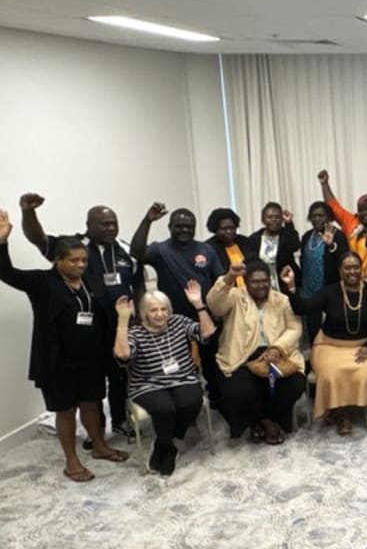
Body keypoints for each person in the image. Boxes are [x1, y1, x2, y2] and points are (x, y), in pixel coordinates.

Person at [0, 210, 129, 482]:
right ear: (57, 261)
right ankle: (71, 462)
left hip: (91, 358)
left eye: (83, 260)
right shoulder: (42, 283)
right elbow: (6, 273)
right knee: (66, 410)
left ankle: (100, 446)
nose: (80, 265)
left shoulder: (90, 283)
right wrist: (2, 243)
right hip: (57, 361)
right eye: (73, 260)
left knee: (92, 404)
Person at [19, 192, 142, 439]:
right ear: (88, 225)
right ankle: (96, 434)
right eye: (104, 224)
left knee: (120, 378)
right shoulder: (73, 246)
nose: (110, 228)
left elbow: (137, 285)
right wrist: (28, 212)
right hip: (87, 330)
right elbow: (38, 239)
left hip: (119, 326)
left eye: (114, 223)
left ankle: (120, 420)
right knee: (93, 387)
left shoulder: (125, 250)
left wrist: (136, 316)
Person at [113, 282, 216, 475]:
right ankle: (167, 447)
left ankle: (166, 444)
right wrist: (123, 320)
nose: (160, 314)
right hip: (147, 384)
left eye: (163, 309)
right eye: (153, 310)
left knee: (190, 403)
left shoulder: (178, 322)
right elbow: (123, 354)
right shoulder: (136, 332)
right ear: (144, 313)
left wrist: (198, 305)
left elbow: (207, 332)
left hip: (183, 377)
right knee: (165, 408)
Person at [130, 203, 225, 401]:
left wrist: (219, 308)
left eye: (189, 226)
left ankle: (216, 398)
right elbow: (136, 253)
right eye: (179, 226)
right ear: (170, 227)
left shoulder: (206, 249)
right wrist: (147, 220)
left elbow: (219, 280)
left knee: (212, 359)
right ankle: (186, 403)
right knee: (179, 364)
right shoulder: (160, 249)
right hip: (172, 319)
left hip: (203, 313)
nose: (184, 230)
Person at [206, 260, 306, 444]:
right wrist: (229, 278)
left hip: (277, 354)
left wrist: (277, 348)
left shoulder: (281, 300)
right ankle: (265, 422)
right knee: (239, 391)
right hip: (241, 356)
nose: (261, 285)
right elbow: (214, 305)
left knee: (295, 384)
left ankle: (268, 419)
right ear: (245, 281)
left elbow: (294, 328)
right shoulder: (235, 296)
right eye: (255, 281)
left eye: (265, 281)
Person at [281, 253, 367, 435]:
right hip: (328, 345)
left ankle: (346, 408)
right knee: (330, 373)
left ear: (362, 269)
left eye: (355, 267)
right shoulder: (329, 291)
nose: (352, 271)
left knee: (364, 373)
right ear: (340, 271)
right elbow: (303, 308)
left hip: (363, 346)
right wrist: (292, 288)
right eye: (347, 268)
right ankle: (342, 414)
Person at [318, 169, 367, 286]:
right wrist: (325, 184)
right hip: (353, 278)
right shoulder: (352, 222)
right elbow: (334, 207)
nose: (365, 213)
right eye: (362, 210)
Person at [298, 201, 349, 341]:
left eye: (321, 215)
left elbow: (344, 260)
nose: (317, 219)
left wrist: (331, 245)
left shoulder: (338, 235)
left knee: (332, 328)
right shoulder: (307, 236)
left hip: (330, 289)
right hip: (310, 291)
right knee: (313, 328)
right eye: (314, 216)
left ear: (329, 217)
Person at [248, 202, 300, 293]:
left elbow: (294, 246)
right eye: (269, 217)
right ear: (263, 220)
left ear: (282, 219)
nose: (274, 220)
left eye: (277, 217)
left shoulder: (287, 234)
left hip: (286, 283)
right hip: (262, 285)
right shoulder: (254, 239)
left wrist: (289, 224)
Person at [205, 207, 256, 279]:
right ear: (215, 229)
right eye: (224, 229)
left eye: (232, 228)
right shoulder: (209, 248)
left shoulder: (245, 242)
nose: (229, 231)